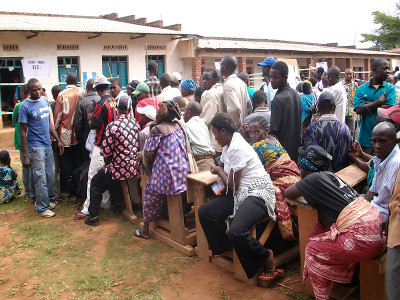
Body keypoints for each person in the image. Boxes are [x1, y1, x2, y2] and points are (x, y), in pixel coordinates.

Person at [284, 145, 386, 300]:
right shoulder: (331, 176)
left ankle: (322, 296)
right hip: (378, 227)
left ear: (305, 166)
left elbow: (288, 193)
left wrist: (303, 179)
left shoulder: (312, 179)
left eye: (301, 165)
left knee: (312, 250)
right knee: (331, 238)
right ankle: (346, 280)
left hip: (365, 237)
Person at [198, 113, 278, 281]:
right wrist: (220, 167)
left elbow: (232, 184)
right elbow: (224, 169)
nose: (215, 138)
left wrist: (219, 171)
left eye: (215, 134)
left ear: (223, 132)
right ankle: (226, 247)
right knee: (205, 211)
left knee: (237, 230)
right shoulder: (228, 145)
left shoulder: (236, 147)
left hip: (258, 192)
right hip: (240, 193)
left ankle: (265, 256)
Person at [134, 101, 190, 239]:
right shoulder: (179, 126)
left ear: (161, 115)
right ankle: (168, 216)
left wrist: (142, 154)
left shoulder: (156, 129)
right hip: (184, 173)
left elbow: (148, 154)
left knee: (149, 190)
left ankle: (145, 230)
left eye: (158, 113)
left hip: (169, 176)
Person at [85, 95, 140, 226]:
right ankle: (119, 204)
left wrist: (109, 165)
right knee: (111, 178)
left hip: (119, 169)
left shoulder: (112, 126)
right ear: (129, 108)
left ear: (117, 108)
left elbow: (107, 152)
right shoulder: (136, 125)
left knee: (96, 182)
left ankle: (92, 217)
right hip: (133, 167)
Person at [248, 116, 300, 240]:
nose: (253, 136)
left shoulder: (258, 147)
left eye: (257, 132)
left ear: (266, 131)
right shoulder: (274, 139)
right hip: (294, 172)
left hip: (284, 177)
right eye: (250, 132)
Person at [19, 78, 64, 217]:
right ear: (29, 91)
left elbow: (49, 123)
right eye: (34, 90)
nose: (38, 92)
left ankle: (48, 200)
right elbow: (22, 131)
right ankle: (42, 207)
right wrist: (25, 154)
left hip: (47, 144)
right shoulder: (24, 107)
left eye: (39, 89)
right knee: (40, 177)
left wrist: (57, 140)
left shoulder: (45, 101)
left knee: (50, 175)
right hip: (35, 146)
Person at [74, 75, 117, 220]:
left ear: (97, 89)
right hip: (112, 146)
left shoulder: (101, 104)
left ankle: (87, 209)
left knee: (92, 177)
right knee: (104, 175)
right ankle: (105, 203)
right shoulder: (113, 101)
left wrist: (91, 119)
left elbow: (94, 123)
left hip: (101, 146)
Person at [354, 57, 396, 154]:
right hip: (365, 140)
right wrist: (379, 102)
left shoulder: (390, 88)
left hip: (385, 142)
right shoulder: (361, 89)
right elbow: (358, 109)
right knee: (366, 167)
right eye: (385, 68)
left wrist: (368, 104)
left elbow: (389, 109)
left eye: (388, 68)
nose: (388, 71)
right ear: (374, 70)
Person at [53, 72, 85, 200]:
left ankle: (66, 190)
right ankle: (77, 189)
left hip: (64, 133)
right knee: (78, 161)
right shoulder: (82, 93)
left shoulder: (61, 95)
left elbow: (57, 117)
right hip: (78, 133)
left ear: (66, 81)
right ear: (77, 81)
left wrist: (54, 136)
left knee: (65, 162)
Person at [302, 92, 353, 172]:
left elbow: (306, 160)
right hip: (340, 180)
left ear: (318, 108)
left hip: (318, 180)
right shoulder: (345, 129)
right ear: (334, 108)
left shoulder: (312, 129)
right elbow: (350, 156)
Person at [269, 61, 301, 161]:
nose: (271, 80)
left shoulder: (278, 100)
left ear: (284, 77)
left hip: (282, 152)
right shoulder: (295, 94)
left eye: (275, 77)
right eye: (270, 77)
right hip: (295, 149)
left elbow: (274, 130)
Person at [12, 84, 33, 199]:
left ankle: (28, 192)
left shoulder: (19, 106)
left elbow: (14, 121)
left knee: (25, 165)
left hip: (22, 140)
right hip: (33, 140)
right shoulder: (36, 104)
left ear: (23, 93)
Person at [220, 55, 252, 127]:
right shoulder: (241, 83)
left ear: (225, 67)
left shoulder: (228, 85)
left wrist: (234, 126)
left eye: (220, 66)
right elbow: (249, 106)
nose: (220, 69)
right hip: (243, 127)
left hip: (235, 129)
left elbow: (234, 109)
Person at [183, 101, 215, 171]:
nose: (183, 115)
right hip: (210, 161)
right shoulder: (203, 123)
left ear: (189, 113)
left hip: (201, 163)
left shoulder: (187, 126)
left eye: (184, 112)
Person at [73, 78, 101, 157]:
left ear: (86, 88)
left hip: (85, 138)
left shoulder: (82, 102)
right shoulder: (101, 100)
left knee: (86, 163)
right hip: (99, 138)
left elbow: (77, 122)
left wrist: (79, 137)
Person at [200, 68, 224, 153]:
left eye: (207, 79)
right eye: (202, 79)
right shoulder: (222, 89)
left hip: (215, 141)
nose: (204, 81)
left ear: (214, 80)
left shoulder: (210, 94)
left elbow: (205, 120)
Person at [342, 68, 358, 138]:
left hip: (352, 112)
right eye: (347, 74)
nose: (349, 76)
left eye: (350, 74)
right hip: (343, 111)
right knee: (342, 131)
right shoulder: (341, 85)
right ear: (344, 75)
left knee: (351, 131)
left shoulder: (355, 85)